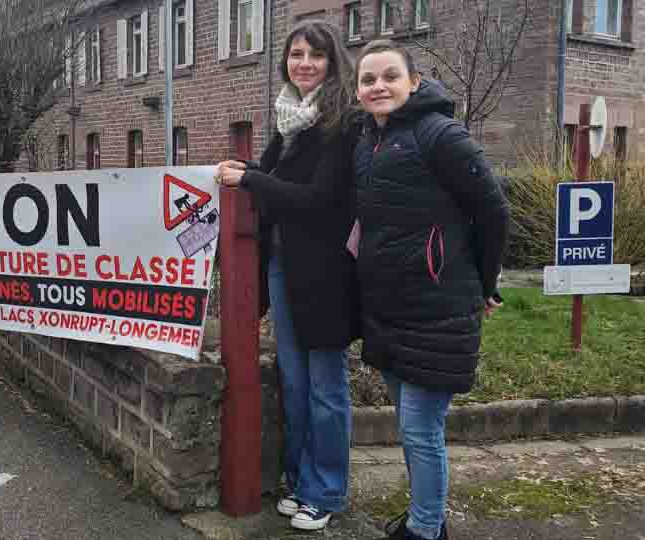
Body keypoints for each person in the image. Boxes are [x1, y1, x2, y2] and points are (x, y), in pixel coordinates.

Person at [352, 40, 510, 540]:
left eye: (389, 76)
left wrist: (487, 284)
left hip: (438, 308)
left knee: (421, 432)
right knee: (411, 428)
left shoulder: (439, 134)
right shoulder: (368, 142)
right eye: (368, 79)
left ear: (414, 82)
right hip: (390, 308)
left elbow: (494, 211)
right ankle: (426, 517)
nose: (378, 86)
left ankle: (425, 531)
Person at [214, 20, 360, 531]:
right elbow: (272, 177)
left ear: (332, 61)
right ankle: (300, 481)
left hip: (325, 274)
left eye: (315, 55)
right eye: (296, 54)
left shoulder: (342, 123)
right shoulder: (290, 120)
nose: (304, 63)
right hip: (283, 265)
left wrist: (250, 177)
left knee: (325, 385)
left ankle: (328, 490)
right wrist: (244, 168)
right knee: (295, 383)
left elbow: (318, 200)